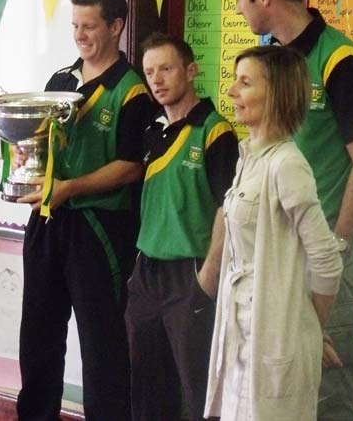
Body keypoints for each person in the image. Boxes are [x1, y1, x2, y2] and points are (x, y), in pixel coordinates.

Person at [227, 0, 353, 420]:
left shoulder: (340, 60)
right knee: (275, 388)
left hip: (323, 254)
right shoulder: (269, 63)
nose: (236, 7)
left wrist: (336, 247)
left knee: (326, 389)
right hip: (272, 256)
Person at [15, 0, 154, 421]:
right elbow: (41, 139)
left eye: (89, 26)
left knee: (101, 342)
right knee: (37, 333)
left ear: (116, 26)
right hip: (47, 219)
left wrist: (72, 188)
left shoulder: (133, 91)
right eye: (75, 25)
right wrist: (26, 154)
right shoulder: (60, 81)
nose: (80, 35)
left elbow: (132, 167)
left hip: (100, 229)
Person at [204, 45, 344, 420]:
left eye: (245, 82)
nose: (232, 91)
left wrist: (306, 327)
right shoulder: (248, 156)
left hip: (274, 340)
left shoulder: (287, 164)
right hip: (241, 335)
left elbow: (327, 262)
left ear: (277, 94)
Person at [124, 32, 238, 421]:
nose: (157, 80)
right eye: (149, 72)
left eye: (167, 69)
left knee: (195, 388)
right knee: (145, 384)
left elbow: (229, 207)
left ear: (191, 71)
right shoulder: (152, 131)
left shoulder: (215, 130)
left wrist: (208, 275)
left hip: (189, 273)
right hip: (146, 274)